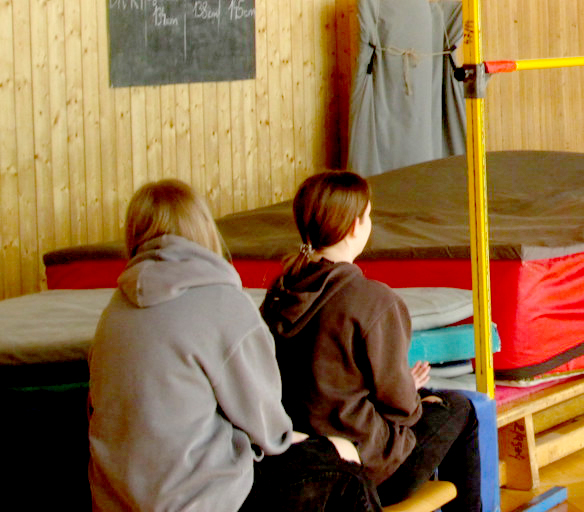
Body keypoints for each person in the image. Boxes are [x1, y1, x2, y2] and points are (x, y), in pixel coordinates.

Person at [88, 180, 375, 512]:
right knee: (346, 471)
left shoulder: (113, 313)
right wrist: (329, 446)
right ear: (202, 228)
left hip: (118, 500)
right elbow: (270, 432)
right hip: (200, 501)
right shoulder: (220, 302)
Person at [261, 171, 483, 510]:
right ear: (355, 226)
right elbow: (402, 409)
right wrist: (411, 393)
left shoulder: (278, 294)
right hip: (363, 470)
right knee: (460, 408)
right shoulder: (373, 301)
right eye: (368, 215)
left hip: (297, 463)